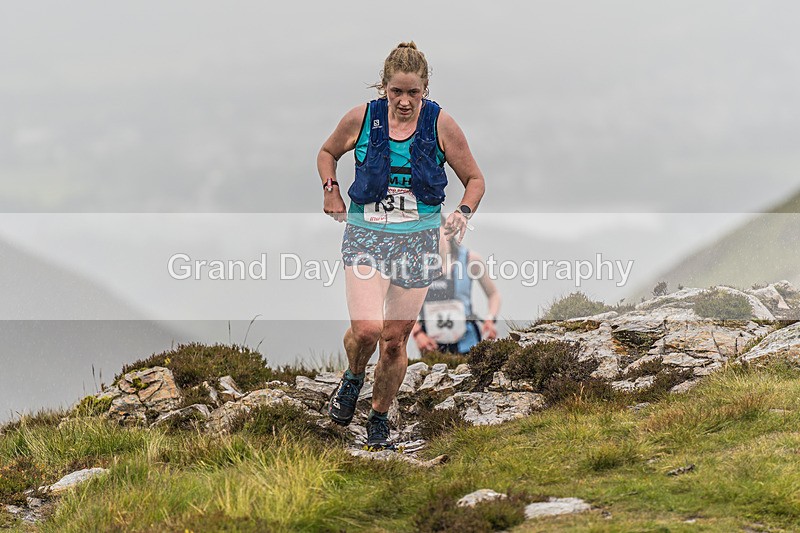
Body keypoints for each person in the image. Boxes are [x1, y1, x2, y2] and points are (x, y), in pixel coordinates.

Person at [317, 41, 485, 449]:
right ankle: (353, 376)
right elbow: (327, 153)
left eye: (413, 93)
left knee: (394, 339)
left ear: (425, 90)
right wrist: (331, 190)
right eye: (397, 92)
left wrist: (462, 211)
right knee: (368, 329)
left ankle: (378, 418)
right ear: (384, 88)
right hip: (366, 236)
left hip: (418, 242)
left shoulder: (442, 125)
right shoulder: (361, 119)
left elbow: (475, 181)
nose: (405, 101)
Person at [411, 220, 500, 355]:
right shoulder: (416, 266)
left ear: (447, 232)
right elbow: (399, 307)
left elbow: (494, 295)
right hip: (431, 344)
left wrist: (490, 319)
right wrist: (417, 333)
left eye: (434, 233)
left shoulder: (470, 259)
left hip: (467, 342)